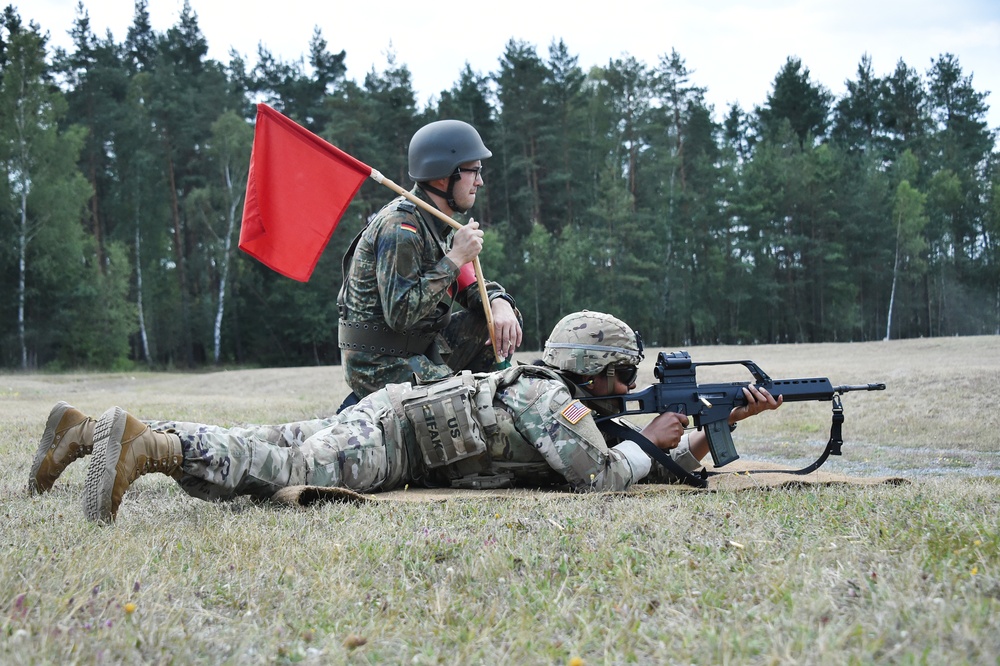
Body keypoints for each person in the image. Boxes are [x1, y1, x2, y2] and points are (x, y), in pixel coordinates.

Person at [27, 311, 782, 523]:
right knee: (279, 466)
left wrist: (719, 432)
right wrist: (654, 444)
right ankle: (145, 447)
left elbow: (603, 448)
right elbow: (603, 482)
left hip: (392, 416)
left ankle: (81, 431)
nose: (627, 387)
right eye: (621, 374)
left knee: (266, 439)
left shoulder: (555, 393)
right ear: (592, 372)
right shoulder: (557, 401)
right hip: (392, 441)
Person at [337, 119, 523, 399]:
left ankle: (480, 397)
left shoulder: (433, 221)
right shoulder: (402, 226)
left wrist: (500, 303)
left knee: (496, 319)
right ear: (442, 176)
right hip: (381, 364)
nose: (480, 182)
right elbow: (400, 314)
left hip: (416, 347)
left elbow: (470, 285)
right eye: (474, 171)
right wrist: (456, 257)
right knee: (470, 402)